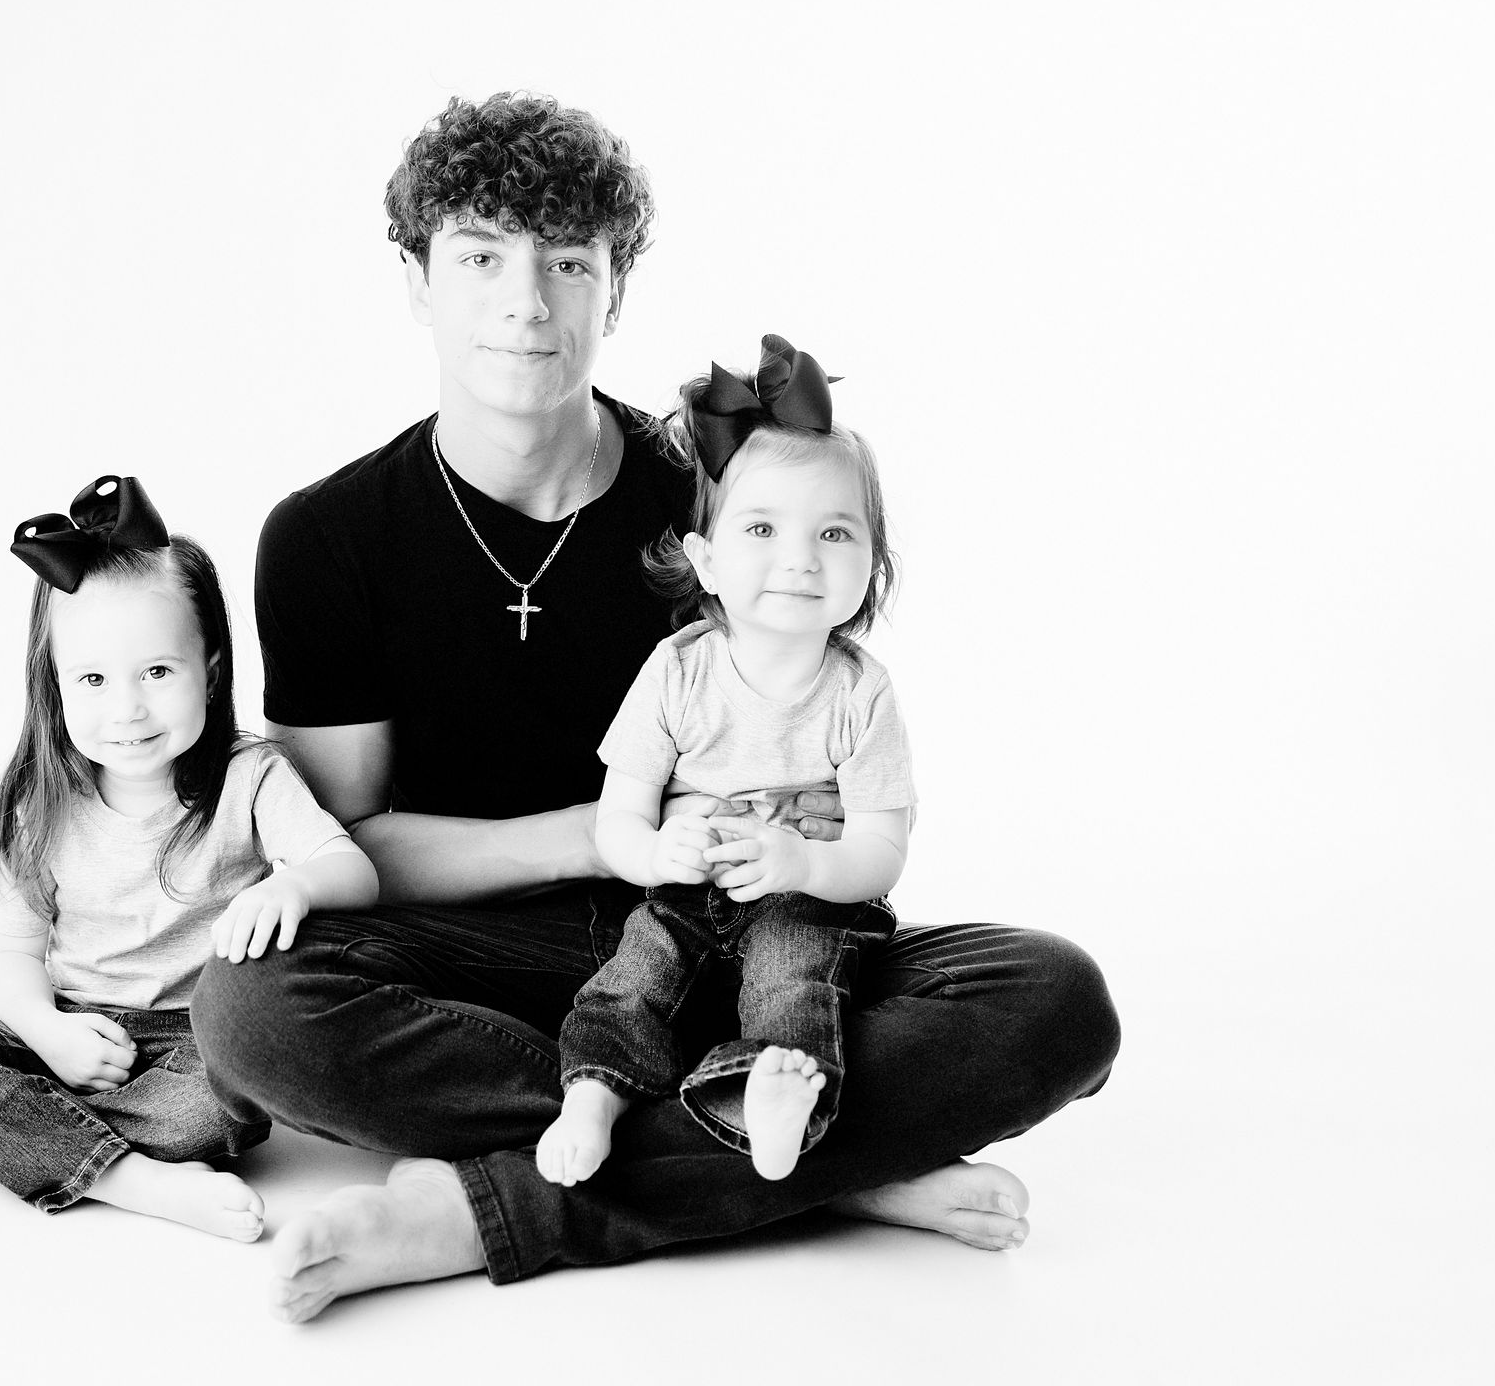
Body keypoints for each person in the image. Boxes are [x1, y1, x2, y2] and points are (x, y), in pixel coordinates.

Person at [190, 92, 1121, 1321]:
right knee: (250, 1010)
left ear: (613, 290)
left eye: (568, 263)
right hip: (477, 965)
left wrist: (802, 830)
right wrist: (600, 834)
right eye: (480, 257)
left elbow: (824, 721)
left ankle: (491, 1203)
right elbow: (346, 845)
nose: (527, 302)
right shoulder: (326, 538)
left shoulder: (715, 499)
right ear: (417, 281)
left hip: (732, 935)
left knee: (1055, 998)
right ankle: (815, 1164)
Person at [0, 474, 377, 1240]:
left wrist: (297, 889)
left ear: (211, 669)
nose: (128, 709)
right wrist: (47, 1034)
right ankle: (135, 1181)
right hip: (70, 1029)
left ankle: (3, 1138)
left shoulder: (249, 778)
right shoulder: (40, 803)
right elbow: (11, 956)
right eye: (93, 679)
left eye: (157, 672)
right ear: (55, 687)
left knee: (224, 1110)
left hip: (197, 1039)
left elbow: (356, 871)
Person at [537, 334, 912, 1188]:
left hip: (805, 900)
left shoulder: (860, 692)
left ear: (871, 563)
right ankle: (593, 1095)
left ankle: (768, 1098)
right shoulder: (678, 670)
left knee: (795, 976)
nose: (800, 557)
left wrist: (805, 863)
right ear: (705, 558)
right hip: (684, 894)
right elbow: (619, 815)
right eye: (762, 528)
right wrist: (651, 853)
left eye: (834, 532)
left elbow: (883, 851)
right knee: (634, 975)